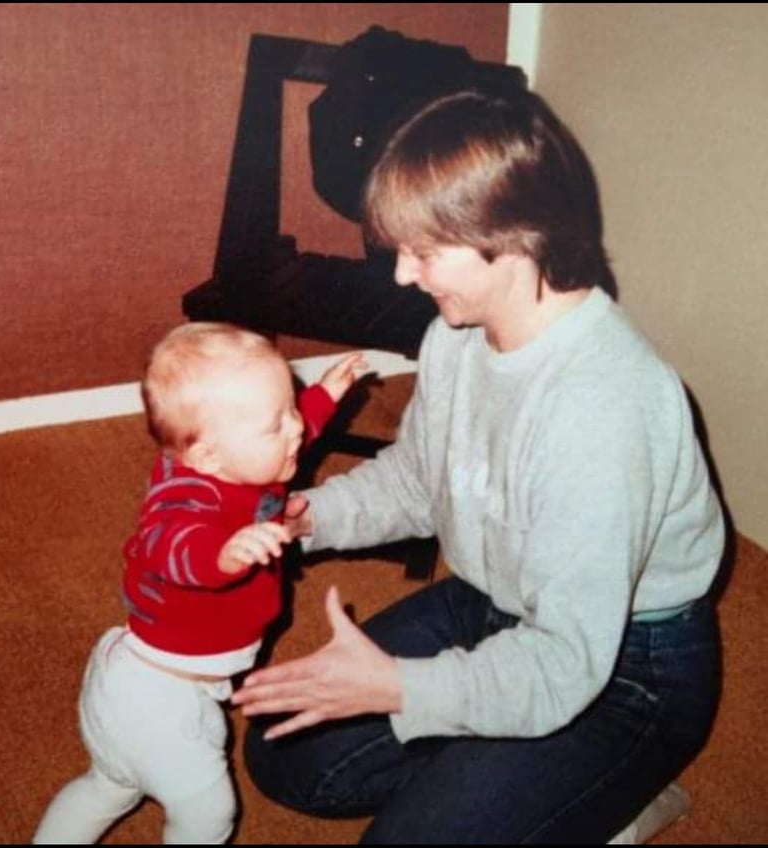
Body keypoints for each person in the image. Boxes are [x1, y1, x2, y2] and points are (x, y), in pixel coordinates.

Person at [233, 89, 725, 844]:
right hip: (495, 598)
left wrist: (402, 687)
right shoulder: (457, 336)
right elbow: (419, 479)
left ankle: (604, 795)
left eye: (425, 253)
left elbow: (563, 659)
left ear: (515, 237)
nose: (404, 275)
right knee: (283, 752)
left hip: (626, 667)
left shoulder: (604, 406)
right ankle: (521, 773)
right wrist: (309, 517)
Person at [33, 322, 366, 844]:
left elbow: (296, 431)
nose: (296, 428)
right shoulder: (185, 496)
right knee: (209, 815)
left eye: (292, 408)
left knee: (110, 786)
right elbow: (173, 545)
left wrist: (325, 395)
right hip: (158, 698)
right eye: (276, 423)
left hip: (147, 678)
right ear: (208, 456)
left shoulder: (249, 458)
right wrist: (225, 554)